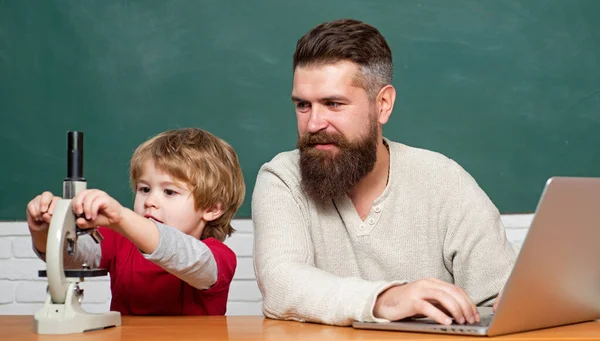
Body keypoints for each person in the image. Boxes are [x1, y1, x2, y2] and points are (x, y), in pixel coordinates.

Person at [252, 19, 517, 327]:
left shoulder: (445, 180)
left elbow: (500, 294)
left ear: (383, 104)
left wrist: (515, 298)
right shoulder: (282, 178)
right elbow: (281, 282)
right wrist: (385, 299)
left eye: (333, 104)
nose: (313, 124)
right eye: (303, 105)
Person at [27, 128, 245, 315]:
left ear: (212, 208)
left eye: (169, 192)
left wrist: (121, 217)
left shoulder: (219, 258)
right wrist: (44, 230)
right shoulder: (119, 241)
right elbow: (70, 258)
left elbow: (183, 254)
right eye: (144, 189)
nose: (150, 201)